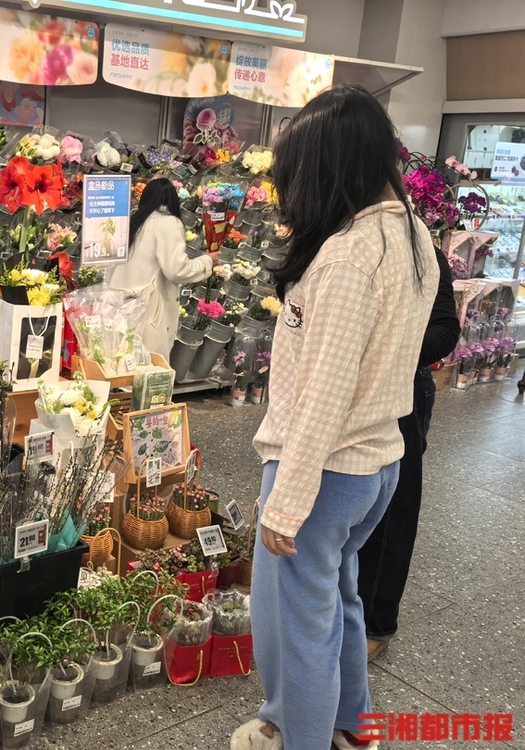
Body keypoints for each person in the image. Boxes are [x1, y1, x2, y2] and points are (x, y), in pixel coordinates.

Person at [230, 85, 439, 750]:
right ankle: (355, 725)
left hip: (323, 471)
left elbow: (324, 394)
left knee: (302, 631)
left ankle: (304, 736)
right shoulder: (410, 233)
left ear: (331, 164)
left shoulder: (349, 255)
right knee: (341, 601)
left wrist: (286, 503)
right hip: (375, 465)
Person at [359, 247, 460, 660]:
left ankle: (376, 623)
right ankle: (338, 607)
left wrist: (386, 353)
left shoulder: (422, 252)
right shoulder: (340, 239)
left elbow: (445, 330)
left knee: (392, 509)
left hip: (403, 389)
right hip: (348, 389)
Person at [107, 178, 219, 357]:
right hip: (147, 309)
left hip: (119, 304)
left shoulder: (133, 220)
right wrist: (207, 261)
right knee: (147, 365)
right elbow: (177, 269)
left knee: (118, 359)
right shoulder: (169, 223)